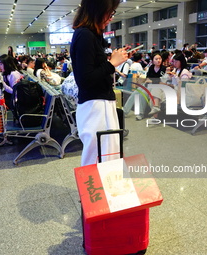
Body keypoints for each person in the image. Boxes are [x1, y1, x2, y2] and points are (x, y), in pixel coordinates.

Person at [70, 0, 128, 166]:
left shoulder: (90, 34)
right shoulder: (84, 35)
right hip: (95, 105)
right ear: (97, 11)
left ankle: (103, 191)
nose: (110, 18)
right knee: (98, 157)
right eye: (108, 13)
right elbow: (85, 79)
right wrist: (111, 64)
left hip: (100, 102)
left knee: (108, 155)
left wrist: (111, 61)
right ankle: (94, 191)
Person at [149, 53, 192, 117]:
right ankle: (155, 108)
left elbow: (182, 85)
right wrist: (167, 74)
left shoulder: (185, 72)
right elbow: (165, 80)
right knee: (156, 89)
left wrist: (175, 77)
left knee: (157, 95)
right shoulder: (175, 70)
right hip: (172, 89)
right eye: (174, 61)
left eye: (176, 61)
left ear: (181, 62)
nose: (174, 63)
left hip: (178, 92)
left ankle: (155, 115)